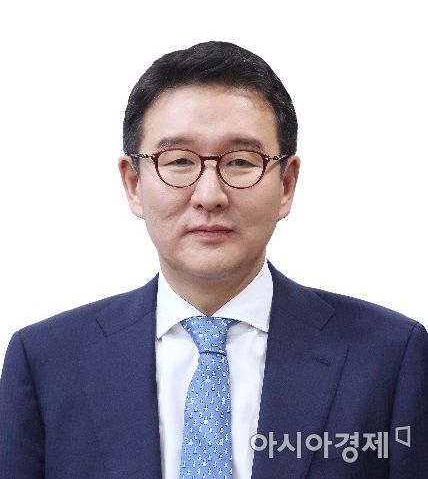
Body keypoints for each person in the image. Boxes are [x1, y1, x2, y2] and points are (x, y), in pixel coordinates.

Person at [0, 41, 427, 479]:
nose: (209, 195)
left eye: (241, 161)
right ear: (133, 183)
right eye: (179, 161)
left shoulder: (389, 356)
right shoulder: (47, 361)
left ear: (286, 185)